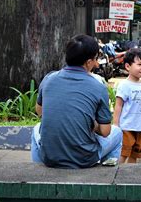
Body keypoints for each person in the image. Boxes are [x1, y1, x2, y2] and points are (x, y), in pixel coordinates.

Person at [31, 34, 122, 169]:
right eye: (96, 59)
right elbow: (105, 131)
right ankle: (106, 174)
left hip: (50, 158)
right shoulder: (98, 86)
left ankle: (38, 170)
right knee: (117, 133)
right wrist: (94, 125)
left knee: (36, 128)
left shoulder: (49, 78)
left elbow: (39, 112)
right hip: (84, 159)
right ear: (89, 62)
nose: (97, 63)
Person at [113, 48, 141, 164]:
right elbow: (118, 106)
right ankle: (117, 173)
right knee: (124, 152)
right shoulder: (124, 85)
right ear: (128, 66)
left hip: (140, 126)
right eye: (139, 64)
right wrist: (116, 126)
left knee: (135, 154)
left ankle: (129, 176)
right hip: (127, 126)